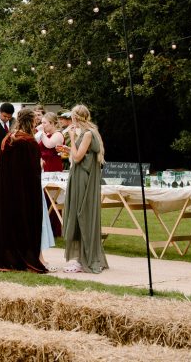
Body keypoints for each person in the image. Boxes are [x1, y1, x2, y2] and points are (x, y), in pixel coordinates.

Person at [0, 107, 47, 272]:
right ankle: (23, 255)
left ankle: (6, 255)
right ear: (31, 122)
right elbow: (33, 171)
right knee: (23, 221)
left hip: (7, 190)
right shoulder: (28, 142)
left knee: (9, 220)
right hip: (23, 191)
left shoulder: (9, 138)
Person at [58, 104, 109, 273]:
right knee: (80, 213)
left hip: (82, 178)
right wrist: (69, 149)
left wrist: (72, 138)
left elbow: (78, 157)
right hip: (80, 176)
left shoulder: (87, 133)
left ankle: (83, 259)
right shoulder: (91, 132)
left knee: (80, 214)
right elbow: (82, 154)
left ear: (75, 117)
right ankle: (80, 257)